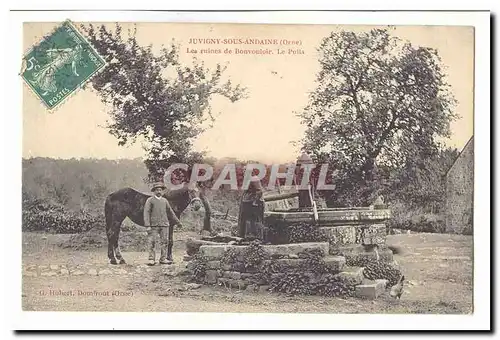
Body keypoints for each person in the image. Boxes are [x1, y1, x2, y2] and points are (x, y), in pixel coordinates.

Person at [144, 182, 182, 266]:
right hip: (154, 225)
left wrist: (178, 222)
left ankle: (163, 258)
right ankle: (151, 259)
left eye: (160, 190)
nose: (159, 191)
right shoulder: (150, 200)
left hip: (165, 225)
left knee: (165, 242)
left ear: (162, 191)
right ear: (154, 191)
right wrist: (147, 225)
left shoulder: (165, 201)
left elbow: (171, 212)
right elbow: (146, 213)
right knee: (152, 242)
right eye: (157, 190)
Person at [238, 175, 265, 240]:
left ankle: (256, 237)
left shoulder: (254, 179)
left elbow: (259, 191)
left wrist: (255, 202)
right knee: (244, 220)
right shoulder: (247, 180)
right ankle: (244, 236)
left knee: (254, 220)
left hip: (252, 204)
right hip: (247, 202)